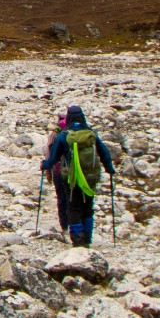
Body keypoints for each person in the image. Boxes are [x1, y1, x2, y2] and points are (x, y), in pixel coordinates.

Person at [40, 105, 115, 246]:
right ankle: (88, 238)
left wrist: (45, 165)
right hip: (89, 176)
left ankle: (78, 238)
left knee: (73, 206)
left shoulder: (64, 135)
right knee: (88, 206)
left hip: (71, 177)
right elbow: (104, 152)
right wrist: (109, 169)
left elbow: (54, 157)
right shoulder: (90, 134)